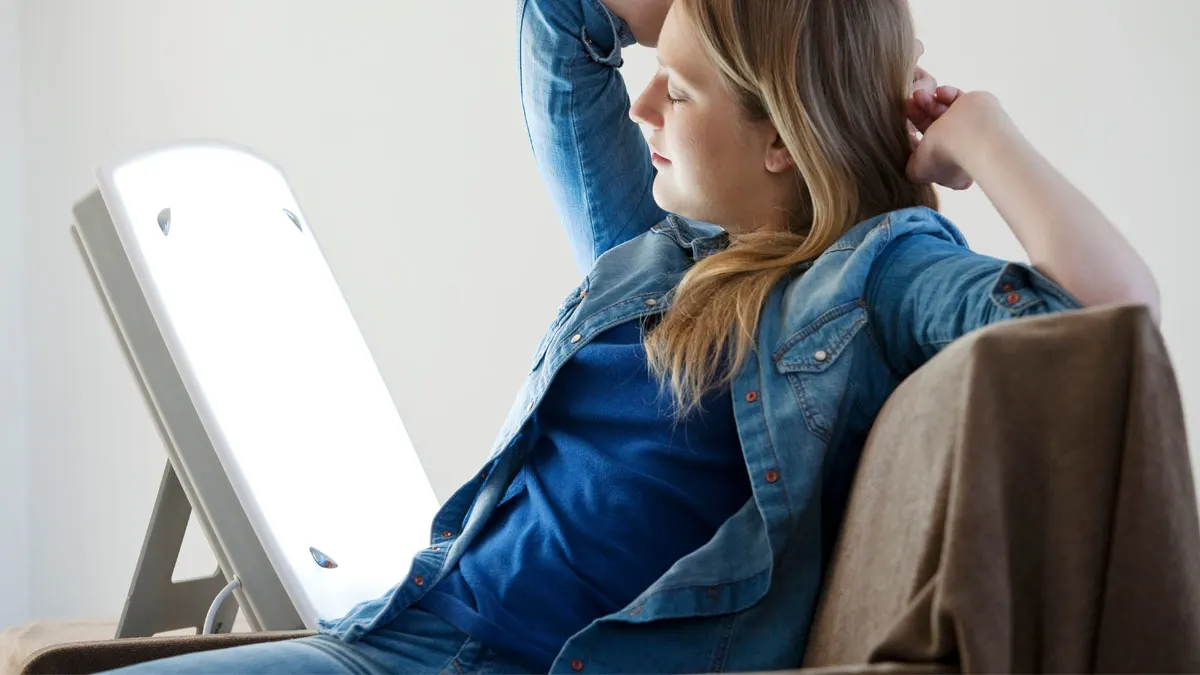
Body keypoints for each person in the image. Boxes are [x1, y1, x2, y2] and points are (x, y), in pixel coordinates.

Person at [100, 0, 1159, 672]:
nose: (644, 100)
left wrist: (983, 131)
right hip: (407, 638)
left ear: (783, 141)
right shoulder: (658, 241)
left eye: (683, 85)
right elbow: (560, 20)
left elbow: (1107, 324)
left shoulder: (879, 274)